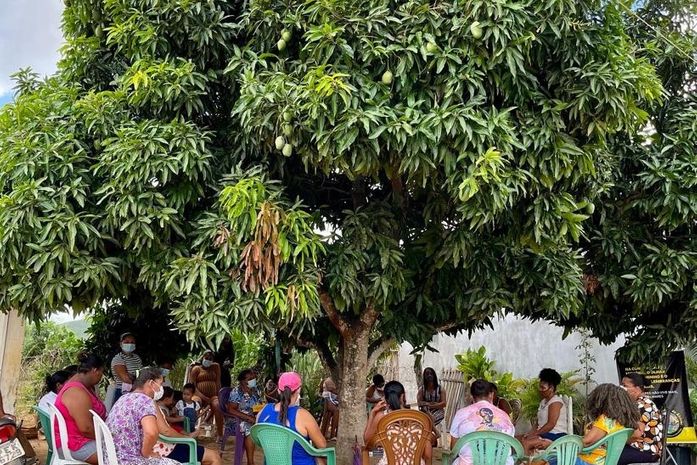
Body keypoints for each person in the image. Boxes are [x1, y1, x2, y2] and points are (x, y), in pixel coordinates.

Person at [106, 367, 180, 465]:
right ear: (151, 383)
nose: (161, 388)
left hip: (112, 459)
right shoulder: (146, 401)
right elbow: (151, 433)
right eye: (160, 384)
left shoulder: (123, 398)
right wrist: (147, 453)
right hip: (130, 461)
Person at [257, 372, 327, 465]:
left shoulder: (263, 411)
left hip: (272, 462)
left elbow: (259, 441)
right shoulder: (303, 415)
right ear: (298, 390)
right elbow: (322, 445)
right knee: (320, 458)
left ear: (278, 390)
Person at [54, 354, 107, 465]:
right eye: (101, 373)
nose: (101, 377)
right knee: (122, 456)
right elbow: (86, 429)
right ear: (95, 370)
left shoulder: (85, 387)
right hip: (75, 444)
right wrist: (108, 438)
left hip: (83, 439)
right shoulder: (76, 392)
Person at [449, 379, 515, 465]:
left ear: (472, 397)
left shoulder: (461, 414)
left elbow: (454, 448)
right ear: (491, 395)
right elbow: (510, 444)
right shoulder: (505, 416)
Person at [365, 381, 431, 465]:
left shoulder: (381, 417)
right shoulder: (419, 418)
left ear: (385, 398)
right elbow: (428, 454)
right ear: (403, 396)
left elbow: (366, 440)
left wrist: (372, 413)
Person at [153, 385, 222, 465]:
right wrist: (187, 438)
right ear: (151, 383)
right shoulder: (151, 404)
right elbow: (166, 431)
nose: (161, 385)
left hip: (162, 446)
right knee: (214, 456)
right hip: (164, 450)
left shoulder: (141, 402)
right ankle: (190, 435)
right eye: (161, 381)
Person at [577, 383, 640, 465]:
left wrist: (563, 443)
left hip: (589, 461)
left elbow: (587, 441)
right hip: (604, 461)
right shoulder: (621, 422)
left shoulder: (606, 420)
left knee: (555, 459)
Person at [618, 374, 662, 465]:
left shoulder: (642, 405)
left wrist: (616, 440)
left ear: (637, 389)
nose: (621, 388)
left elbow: (636, 434)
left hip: (646, 451)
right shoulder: (639, 404)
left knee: (609, 457)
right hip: (638, 449)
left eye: (625, 386)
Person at [521, 368, 568, 452]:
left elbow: (551, 424)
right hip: (544, 434)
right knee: (517, 440)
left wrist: (535, 434)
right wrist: (529, 433)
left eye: (543, 388)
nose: (540, 390)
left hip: (556, 435)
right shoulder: (543, 401)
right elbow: (537, 423)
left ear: (551, 388)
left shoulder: (555, 402)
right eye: (540, 387)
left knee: (527, 443)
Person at [227, 369, 261, 465]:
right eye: (250, 378)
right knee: (250, 429)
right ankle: (250, 462)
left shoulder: (255, 390)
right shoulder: (236, 392)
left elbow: (257, 406)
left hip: (252, 417)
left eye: (253, 378)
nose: (253, 380)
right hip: (236, 420)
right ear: (242, 381)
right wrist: (248, 418)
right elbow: (231, 409)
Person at [189, 350, 223, 437]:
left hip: (212, 396)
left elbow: (218, 382)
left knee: (218, 405)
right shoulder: (196, 369)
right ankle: (190, 431)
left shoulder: (216, 367)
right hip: (198, 395)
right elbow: (193, 387)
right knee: (194, 404)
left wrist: (219, 395)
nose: (208, 360)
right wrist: (203, 397)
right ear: (202, 358)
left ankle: (220, 434)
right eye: (206, 358)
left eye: (210, 359)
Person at [111, 332, 143, 403]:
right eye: (127, 342)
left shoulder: (137, 358)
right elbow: (126, 379)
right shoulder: (118, 359)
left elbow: (142, 375)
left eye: (132, 342)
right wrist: (137, 377)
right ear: (121, 344)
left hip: (136, 392)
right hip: (122, 393)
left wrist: (132, 375)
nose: (130, 344)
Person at [417, 367, 447, 445]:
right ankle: (435, 434)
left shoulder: (440, 389)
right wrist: (429, 405)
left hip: (438, 411)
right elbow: (419, 403)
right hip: (426, 411)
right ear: (424, 376)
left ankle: (428, 441)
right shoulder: (422, 389)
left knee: (426, 421)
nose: (429, 376)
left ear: (434, 375)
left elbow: (444, 404)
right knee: (425, 414)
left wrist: (431, 405)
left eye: (431, 374)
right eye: (427, 374)